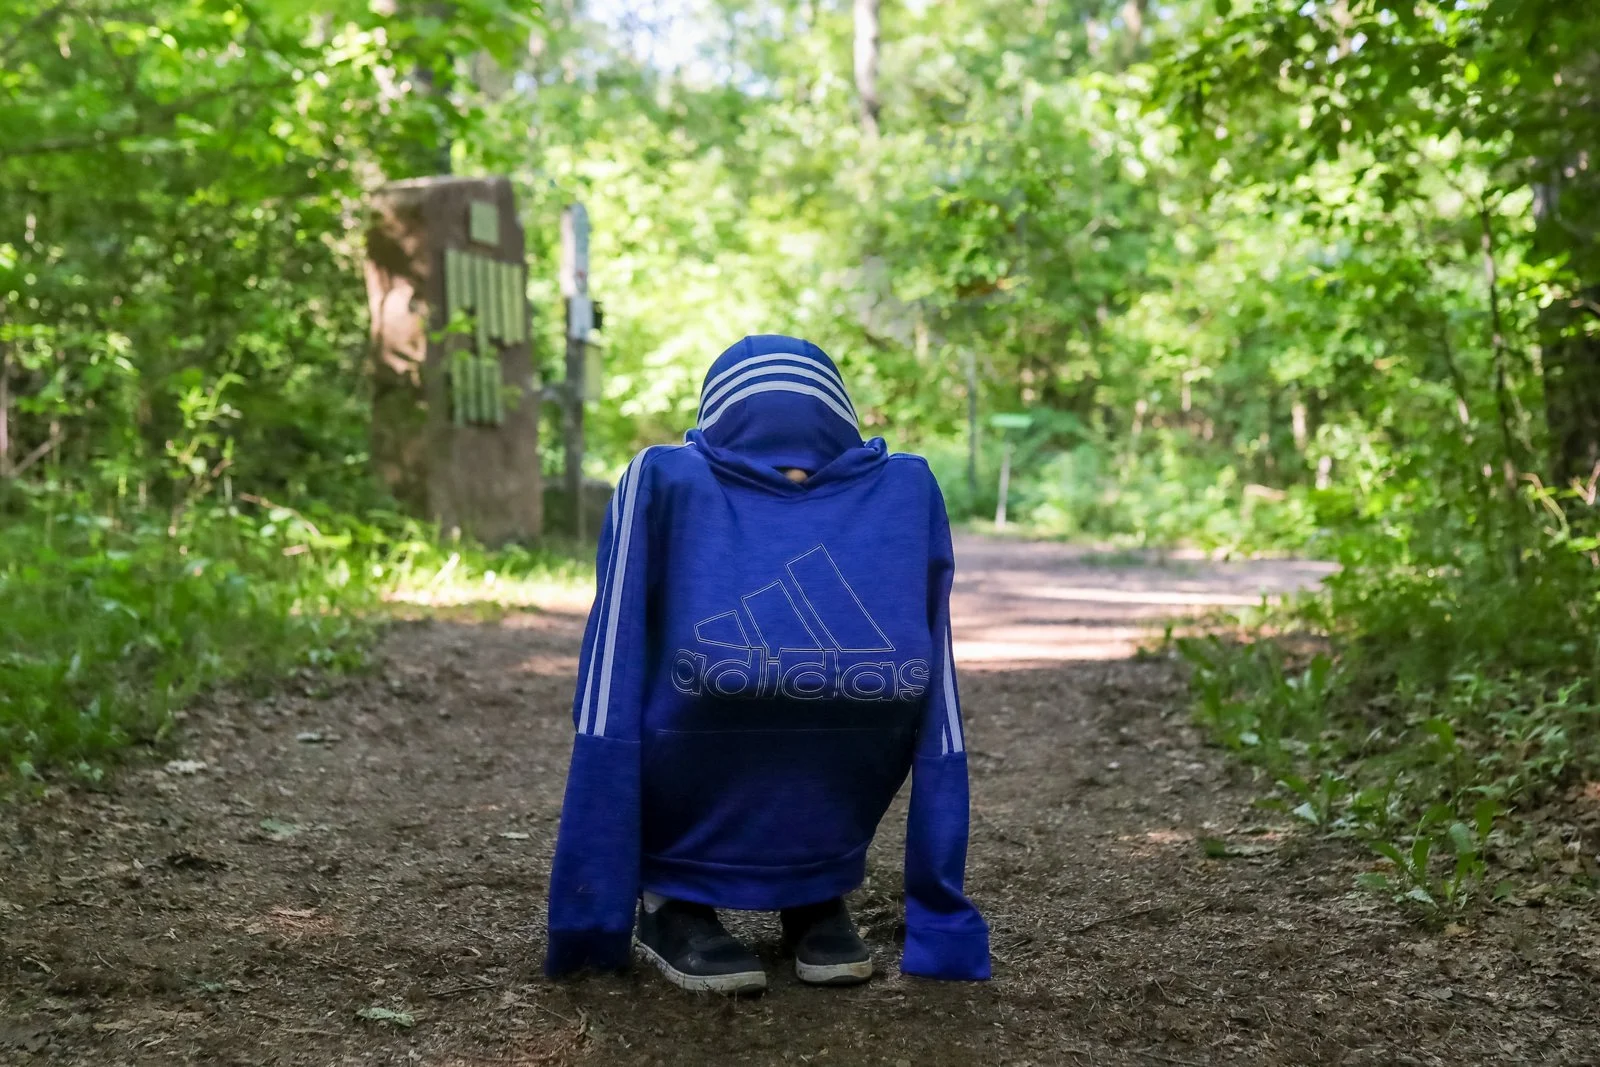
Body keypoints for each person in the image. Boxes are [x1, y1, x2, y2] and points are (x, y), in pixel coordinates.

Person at [543, 334, 989, 993]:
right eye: (768, 454)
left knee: (862, 684)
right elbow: (609, 681)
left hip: (838, 809)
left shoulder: (906, 491)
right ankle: (672, 899)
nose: (793, 475)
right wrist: (590, 913)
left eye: (810, 454)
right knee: (721, 684)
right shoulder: (666, 482)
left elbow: (939, 703)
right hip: (683, 751)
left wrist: (943, 921)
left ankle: (814, 889)